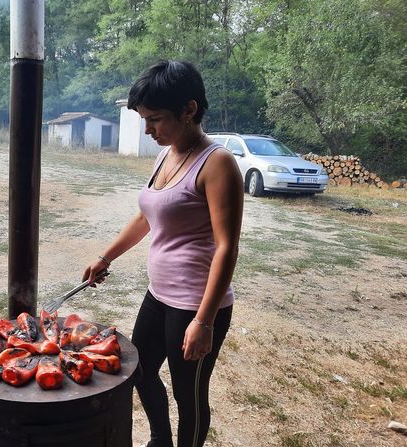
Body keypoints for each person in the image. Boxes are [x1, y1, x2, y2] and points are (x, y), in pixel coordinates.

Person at [83, 60, 244, 447]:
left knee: (188, 395)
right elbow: (146, 215)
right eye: (144, 119)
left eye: (154, 119)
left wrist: (204, 322)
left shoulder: (218, 163)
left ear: (188, 110)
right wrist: (106, 257)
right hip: (159, 295)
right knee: (139, 370)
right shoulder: (166, 154)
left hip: (197, 304)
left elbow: (227, 246)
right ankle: (160, 439)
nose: (148, 129)